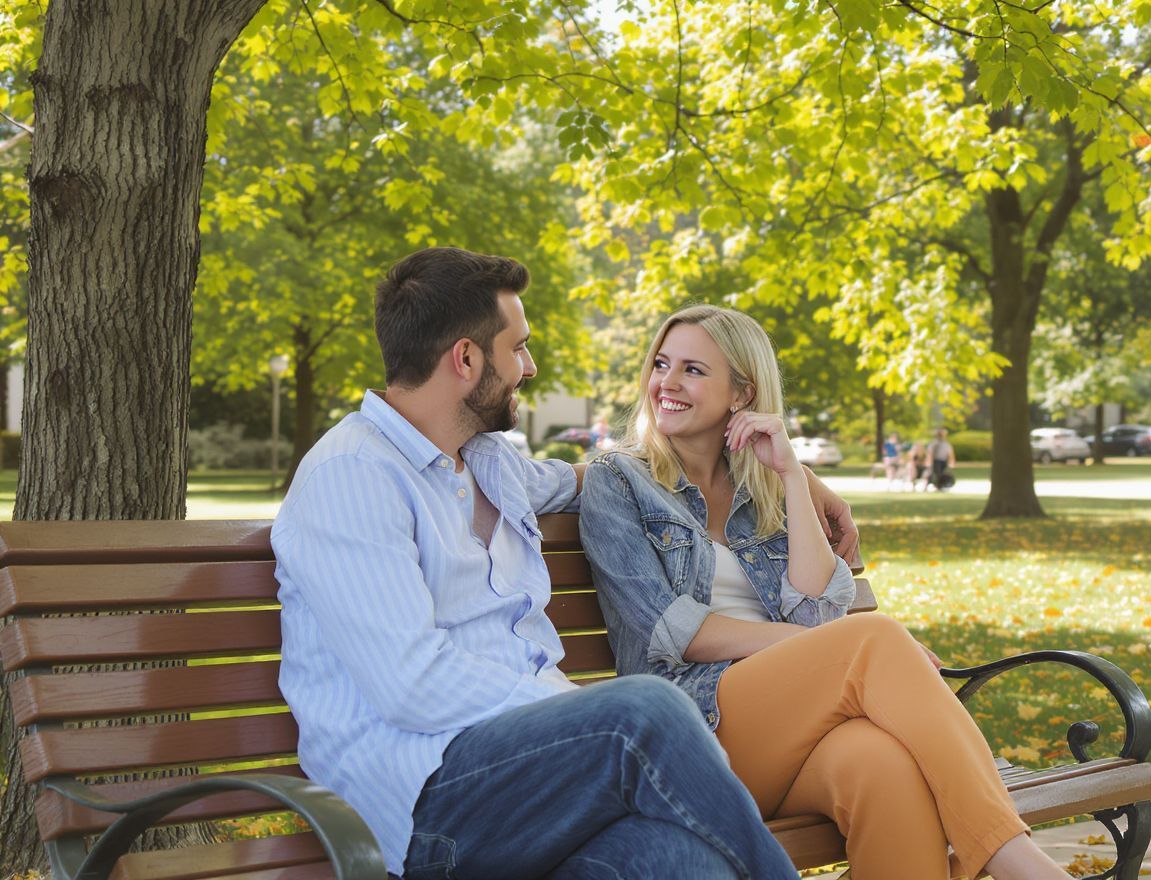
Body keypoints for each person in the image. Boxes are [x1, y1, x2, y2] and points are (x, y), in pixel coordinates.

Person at [273, 248, 866, 879]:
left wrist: (791, 475)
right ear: (467, 359)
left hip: (533, 780)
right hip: (427, 804)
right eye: (518, 348)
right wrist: (565, 712)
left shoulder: (486, 462)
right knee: (645, 712)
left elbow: (606, 480)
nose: (529, 367)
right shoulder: (353, 477)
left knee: (680, 861)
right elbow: (411, 683)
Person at [579, 305, 1071, 880]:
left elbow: (815, 608)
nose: (666, 382)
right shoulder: (618, 481)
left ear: (743, 393)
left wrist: (791, 475)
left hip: (781, 734)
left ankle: (1001, 853)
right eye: (662, 364)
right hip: (685, 733)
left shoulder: (762, 484)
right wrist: (810, 644)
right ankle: (1016, 859)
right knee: (873, 637)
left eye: (692, 369)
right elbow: (671, 629)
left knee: (882, 768)